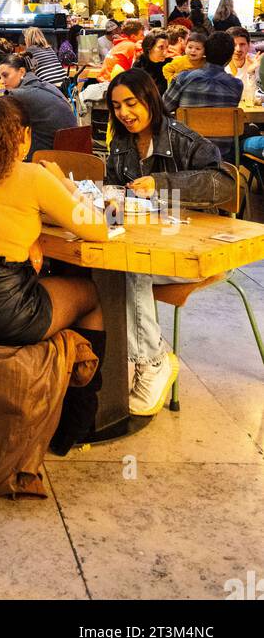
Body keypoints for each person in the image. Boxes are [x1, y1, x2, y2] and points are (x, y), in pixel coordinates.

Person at [0, 97, 107, 453]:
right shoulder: (32, 176)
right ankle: (76, 424)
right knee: (89, 296)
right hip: (2, 311)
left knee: (44, 282)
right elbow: (99, 228)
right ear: (25, 136)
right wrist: (65, 184)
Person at [105, 69, 235, 414]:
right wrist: (105, 207)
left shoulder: (183, 139)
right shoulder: (120, 145)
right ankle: (127, 364)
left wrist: (160, 182)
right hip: (146, 244)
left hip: (192, 252)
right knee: (108, 269)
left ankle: (152, 362)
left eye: (130, 103)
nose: (123, 113)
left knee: (131, 270)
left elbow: (224, 184)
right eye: (117, 106)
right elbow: (117, 203)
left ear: (150, 99)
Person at [0, 52, 76, 154]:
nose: (2, 81)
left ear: (21, 71)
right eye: (0, 77)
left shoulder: (18, 95)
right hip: (74, 153)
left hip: (49, 156)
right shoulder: (48, 86)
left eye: (5, 75)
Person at [163, 31, 243, 120]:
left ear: (205, 52)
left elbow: (164, 108)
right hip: (224, 133)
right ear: (229, 59)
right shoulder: (237, 85)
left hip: (188, 133)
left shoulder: (183, 78)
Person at [226, 27, 259, 101]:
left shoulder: (256, 62)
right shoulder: (220, 64)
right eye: (234, 45)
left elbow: (256, 100)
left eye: (242, 44)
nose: (238, 49)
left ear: (249, 45)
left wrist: (251, 73)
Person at [136, 30, 170, 96]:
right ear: (149, 48)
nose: (165, 52)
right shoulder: (138, 66)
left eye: (167, 47)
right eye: (161, 47)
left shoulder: (170, 65)